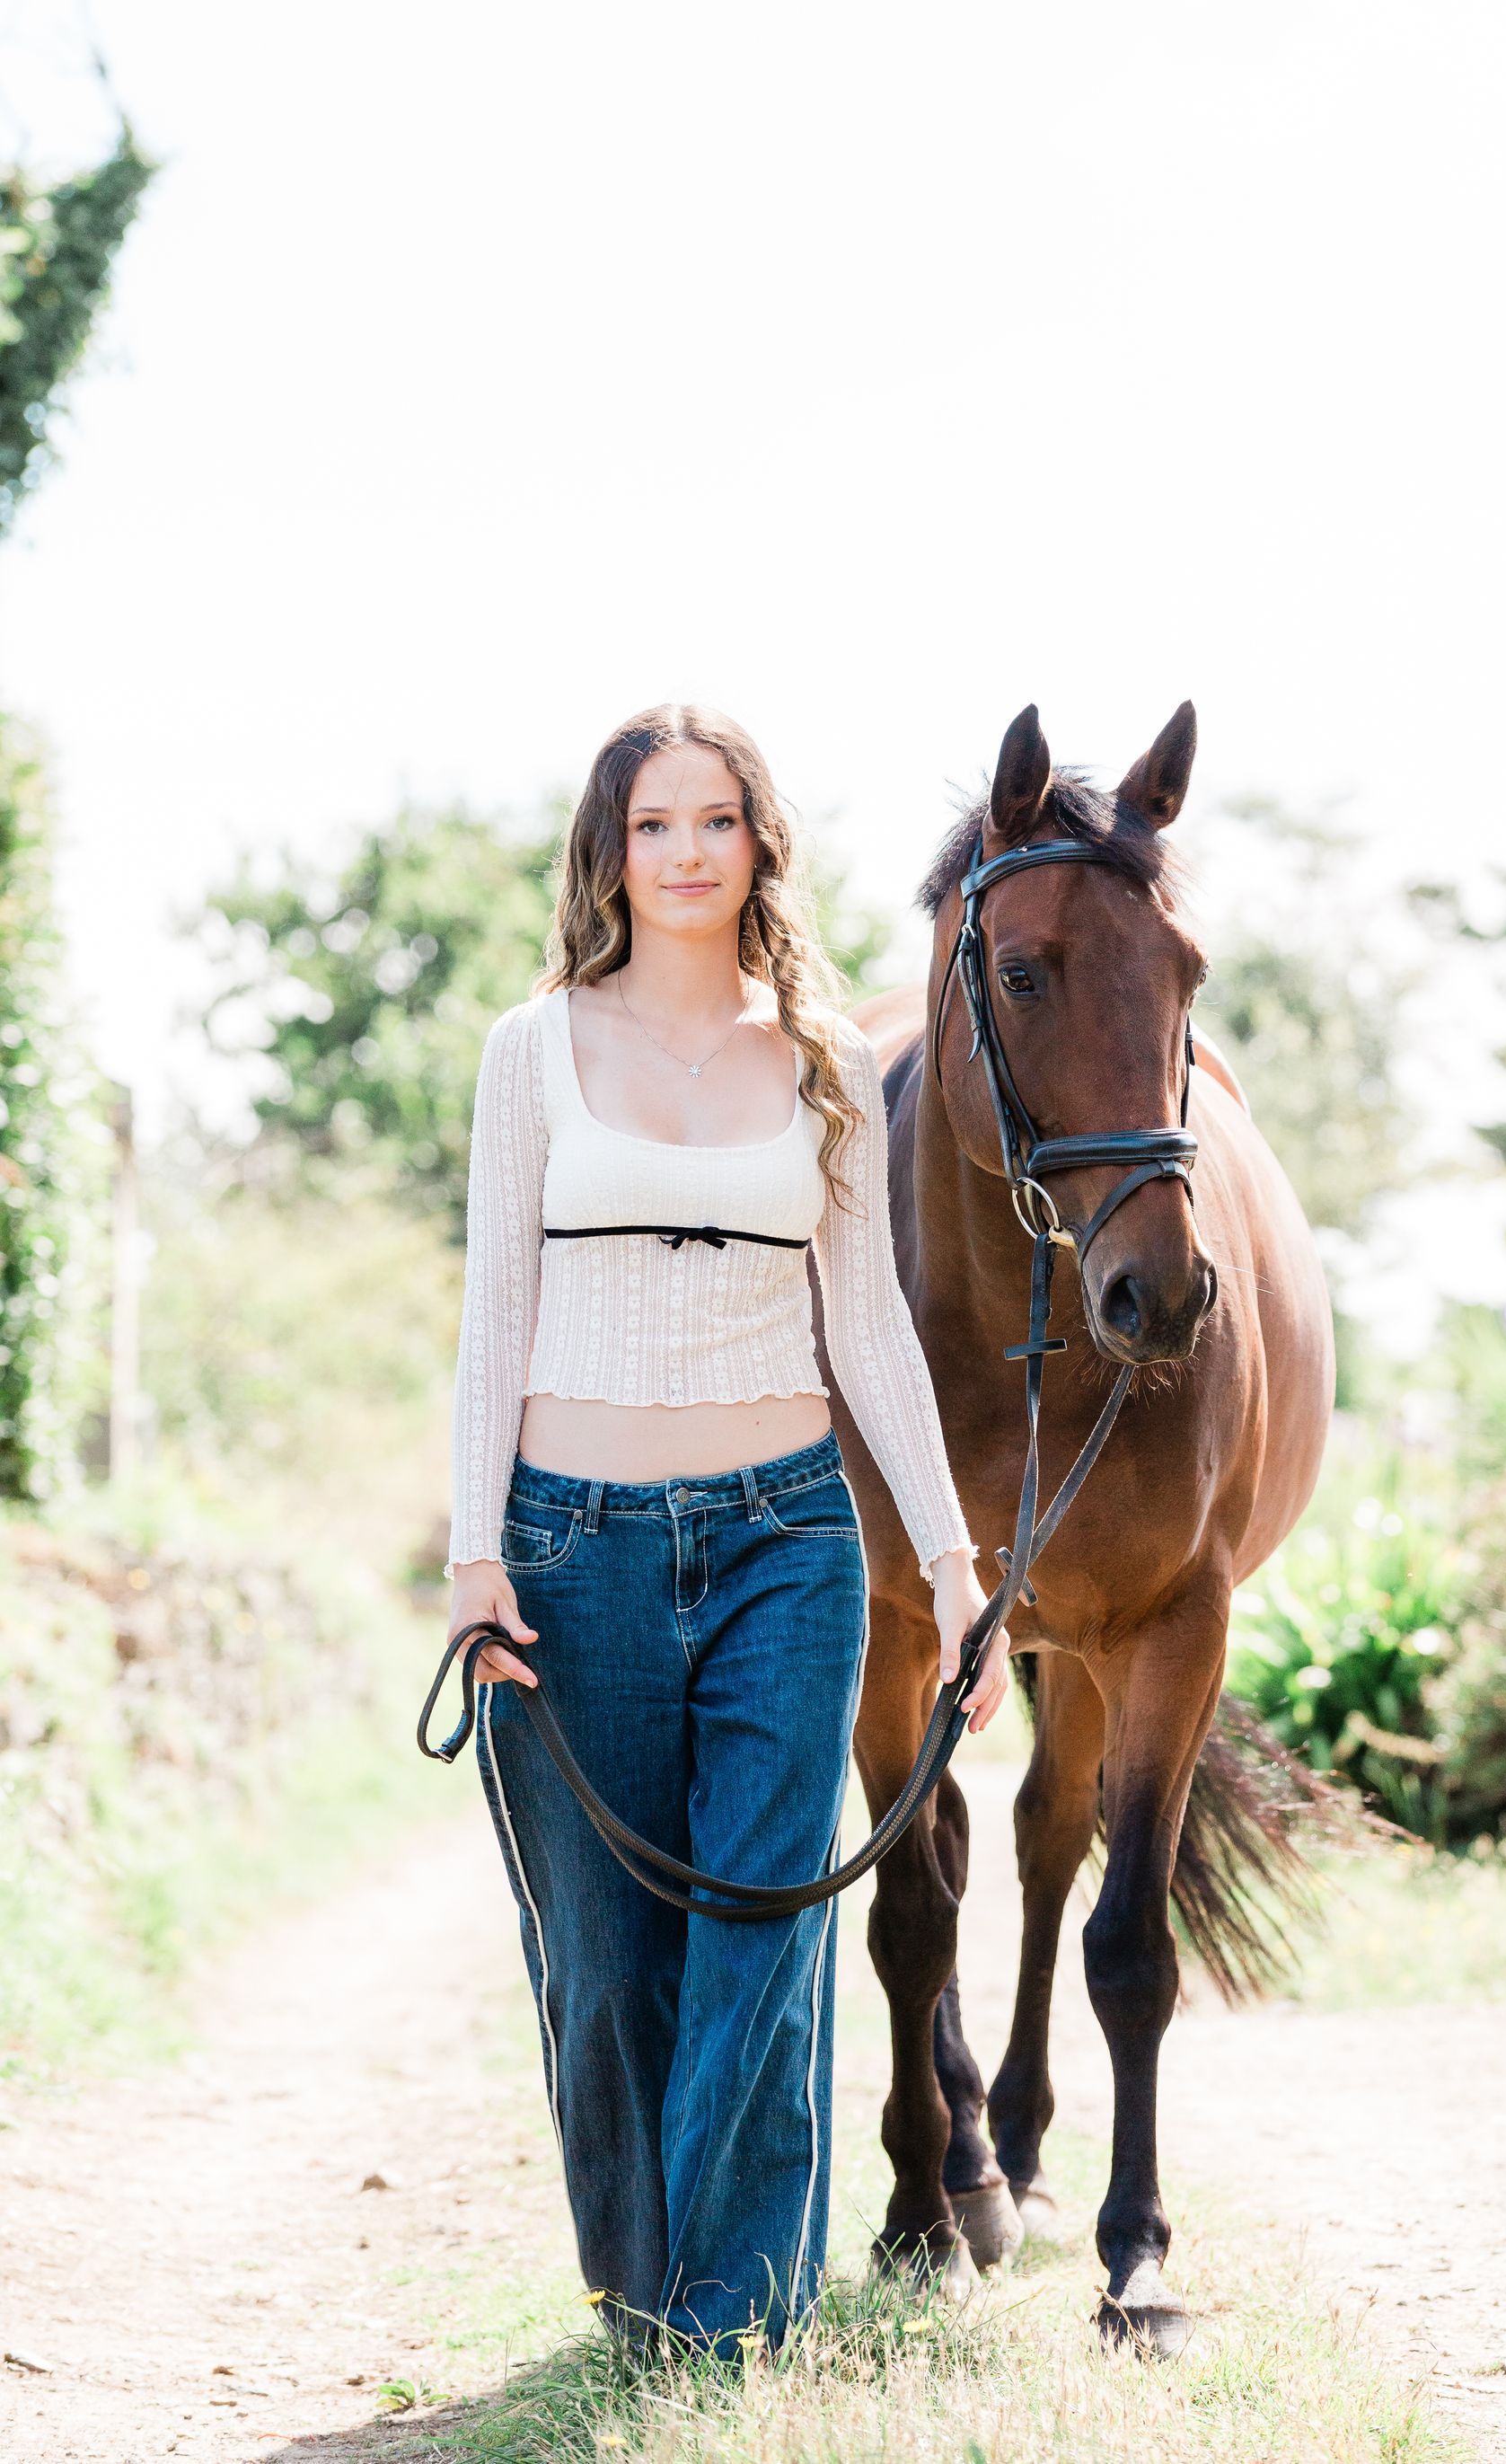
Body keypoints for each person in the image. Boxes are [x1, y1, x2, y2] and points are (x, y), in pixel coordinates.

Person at [444, 703, 1009, 2354]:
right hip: (569, 1545)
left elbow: (873, 1333)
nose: (687, 853)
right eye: (653, 825)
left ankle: (731, 2328)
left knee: (767, 1925)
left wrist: (960, 1566)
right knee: (611, 1964)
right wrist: (477, 1556)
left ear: (761, 840)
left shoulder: (826, 1060)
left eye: (717, 820)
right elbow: (495, 1319)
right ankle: (641, 2293)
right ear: (609, 852)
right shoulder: (530, 1050)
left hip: (785, 1540)